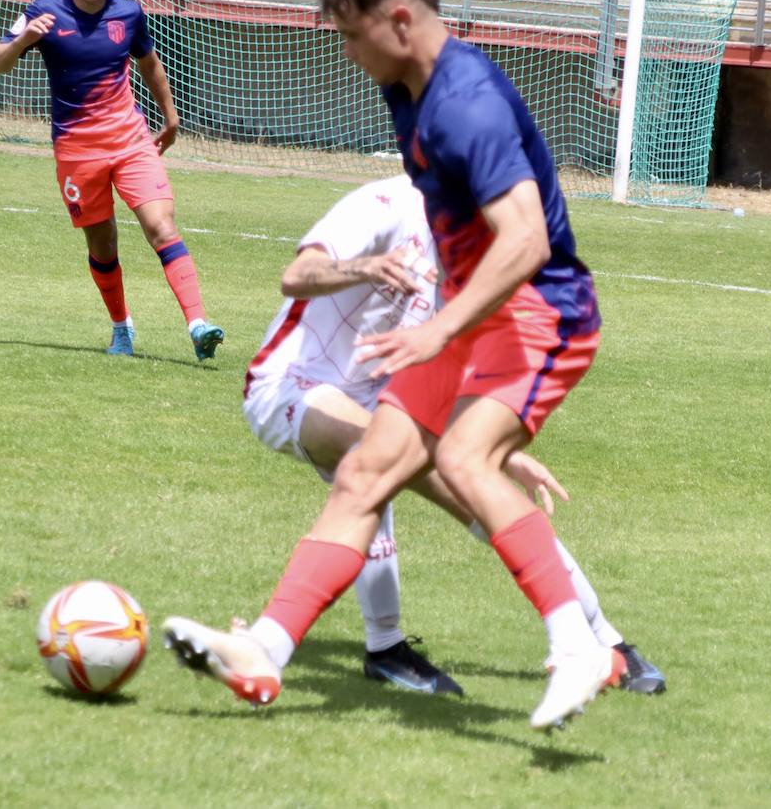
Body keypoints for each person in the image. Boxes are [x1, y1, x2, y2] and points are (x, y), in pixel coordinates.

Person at [164, 0, 620, 729]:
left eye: (351, 33)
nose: (345, 51)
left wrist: (438, 330)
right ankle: (265, 651)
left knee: (464, 462)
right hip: (472, 322)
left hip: (538, 311)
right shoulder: (408, 88)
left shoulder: (465, 102)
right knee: (366, 474)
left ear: (400, 18)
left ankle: (583, 646)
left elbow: (525, 242)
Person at [240, 173, 664, 698]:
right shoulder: (387, 203)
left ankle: (601, 642)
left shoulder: (481, 255)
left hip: (386, 399)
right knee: (392, 462)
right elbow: (298, 273)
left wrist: (500, 459)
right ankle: (600, 642)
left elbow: (459, 373)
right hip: (291, 384)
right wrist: (366, 267)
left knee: (441, 477)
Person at [0, 0, 224, 361]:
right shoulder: (44, 12)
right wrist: (23, 41)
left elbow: (151, 65)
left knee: (162, 227)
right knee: (102, 245)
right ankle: (121, 329)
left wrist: (170, 117)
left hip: (131, 141)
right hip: (77, 151)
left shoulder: (129, 14)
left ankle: (198, 324)